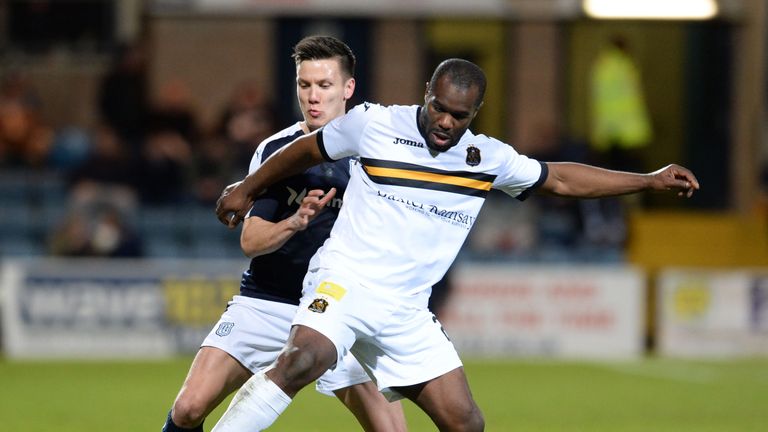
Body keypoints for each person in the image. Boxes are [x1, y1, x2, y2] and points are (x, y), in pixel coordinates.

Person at [213, 58, 700, 431]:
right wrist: (247, 188)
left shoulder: (486, 157)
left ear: (476, 113)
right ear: (426, 94)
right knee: (301, 359)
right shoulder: (375, 124)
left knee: (466, 422)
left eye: (459, 115)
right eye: (438, 108)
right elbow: (305, 150)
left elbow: (563, 180)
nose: (445, 122)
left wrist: (650, 179)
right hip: (345, 282)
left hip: (405, 310)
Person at [162, 36, 406, 432]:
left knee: (391, 429)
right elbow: (249, 242)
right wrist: (294, 222)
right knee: (188, 407)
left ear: (348, 88)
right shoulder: (278, 150)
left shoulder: (376, 154)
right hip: (270, 301)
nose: (312, 96)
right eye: (304, 85)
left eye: (324, 86)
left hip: (341, 311)